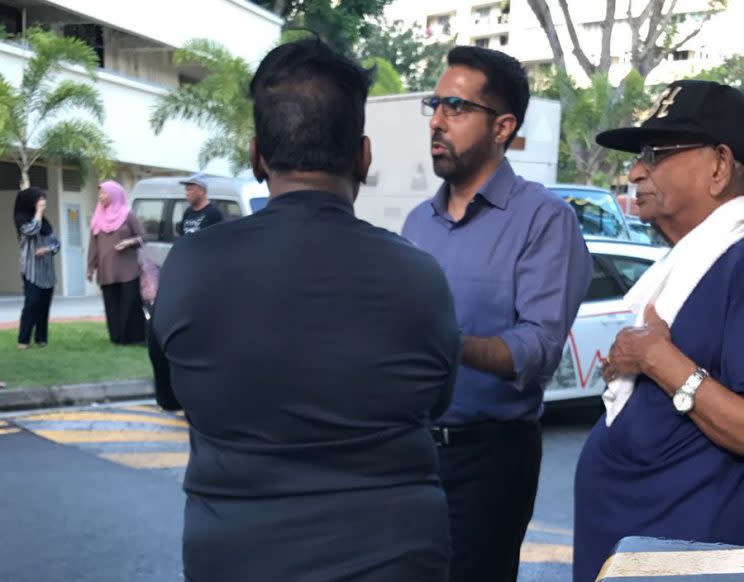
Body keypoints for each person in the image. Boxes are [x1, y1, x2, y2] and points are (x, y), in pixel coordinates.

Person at [149, 38, 461, 582]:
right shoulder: (420, 276)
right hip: (398, 551)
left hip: (238, 554)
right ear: (363, 157)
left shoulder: (191, 265)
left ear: (256, 155)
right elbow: (437, 403)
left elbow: (170, 394)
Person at [402, 46, 592, 582]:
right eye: (435, 104)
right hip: (408, 450)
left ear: (503, 126)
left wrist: (447, 342)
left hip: (488, 460)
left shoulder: (544, 221)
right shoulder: (418, 222)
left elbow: (536, 349)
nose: (437, 121)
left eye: (456, 107)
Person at [573, 80, 744, 581]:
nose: (634, 172)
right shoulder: (695, 262)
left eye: (655, 154)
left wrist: (660, 362)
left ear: (718, 166)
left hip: (687, 564)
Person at [87, 180, 146, 345]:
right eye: (100, 193)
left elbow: (143, 236)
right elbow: (93, 245)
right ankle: (116, 338)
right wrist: (90, 267)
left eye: (104, 193)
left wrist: (129, 242)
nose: (101, 196)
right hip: (107, 271)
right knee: (111, 306)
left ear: (114, 195)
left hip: (128, 271)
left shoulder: (128, 214)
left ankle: (134, 339)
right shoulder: (97, 217)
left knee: (129, 306)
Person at [13, 187, 60, 350]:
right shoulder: (22, 219)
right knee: (32, 303)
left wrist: (47, 249)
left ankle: (41, 339)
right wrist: (39, 212)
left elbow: (56, 244)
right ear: (31, 201)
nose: (43, 202)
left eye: (43, 199)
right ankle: (23, 340)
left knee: (44, 305)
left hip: (47, 271)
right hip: (31, 271)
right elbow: (32, 230)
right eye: (39, 199)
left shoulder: (45, 222)